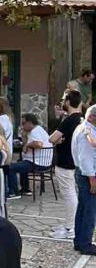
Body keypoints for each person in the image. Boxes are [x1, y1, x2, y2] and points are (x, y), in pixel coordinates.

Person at [49, 91, 82, 241]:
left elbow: (52, 138)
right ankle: (71, 225)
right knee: (72, 194)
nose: (61, 102)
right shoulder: (81, 119)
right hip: (76, 161)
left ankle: (70, 227)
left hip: (65, 162)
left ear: (68, 102)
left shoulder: (69, 120)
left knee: (69, 195)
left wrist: (59, 140)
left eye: (63, 100)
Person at [6, 114, 52, 199]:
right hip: (36, 160)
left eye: (24, 123)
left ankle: (13, 192)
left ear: (30, 123)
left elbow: (39, 144)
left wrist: (27, 145)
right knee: (20, 162)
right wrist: (24, 136)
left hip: (37, 162)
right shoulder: (34, 131)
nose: (22, 126)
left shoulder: (35, 131)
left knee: (11, 167)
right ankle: (25, 189)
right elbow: (25, 144)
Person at [71, 105, 96, 256]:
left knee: (83, 208)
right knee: (90, 210)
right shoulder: (86, 132)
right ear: (92, 117)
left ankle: (80, 241)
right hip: (88, 174)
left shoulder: (85, 128)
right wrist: (92, 179)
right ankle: (85, 244)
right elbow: (86, 158)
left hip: (84, 173)